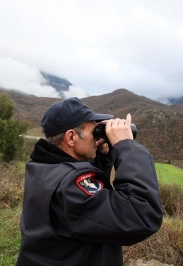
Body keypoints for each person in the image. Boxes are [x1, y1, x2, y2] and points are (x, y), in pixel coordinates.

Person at [16, 97, 163, 266]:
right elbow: (141, 215)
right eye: (94, 132)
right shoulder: (69, 185)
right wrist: (126, 146)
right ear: (71, 137)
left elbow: (89, 206)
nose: (96, 138)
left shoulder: (41, 167)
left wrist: (102, 157)